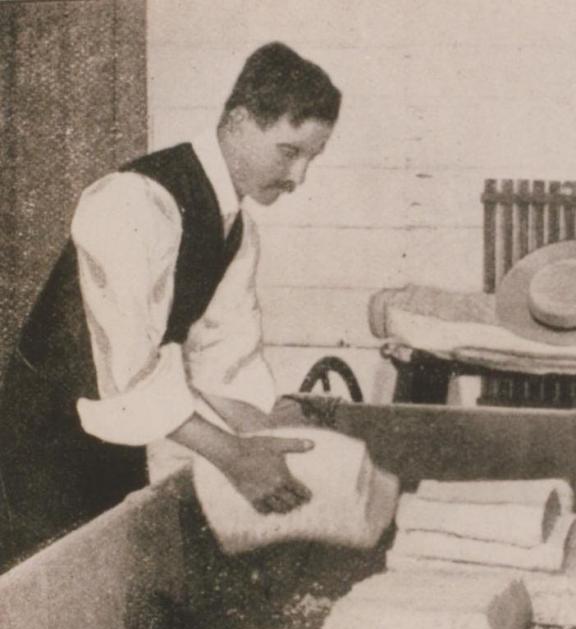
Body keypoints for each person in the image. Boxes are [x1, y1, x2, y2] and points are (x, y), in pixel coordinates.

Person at [0, 42, 341, 571]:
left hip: (114, 445)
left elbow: (221, 360)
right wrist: (233, 457)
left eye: (312, 159)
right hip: (41, 450)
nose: (299, 179)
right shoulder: (135, 200)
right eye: (288, 152)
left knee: (112, 585)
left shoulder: (237, 230)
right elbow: (127, 374)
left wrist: (266, 431)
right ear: (239, 120)